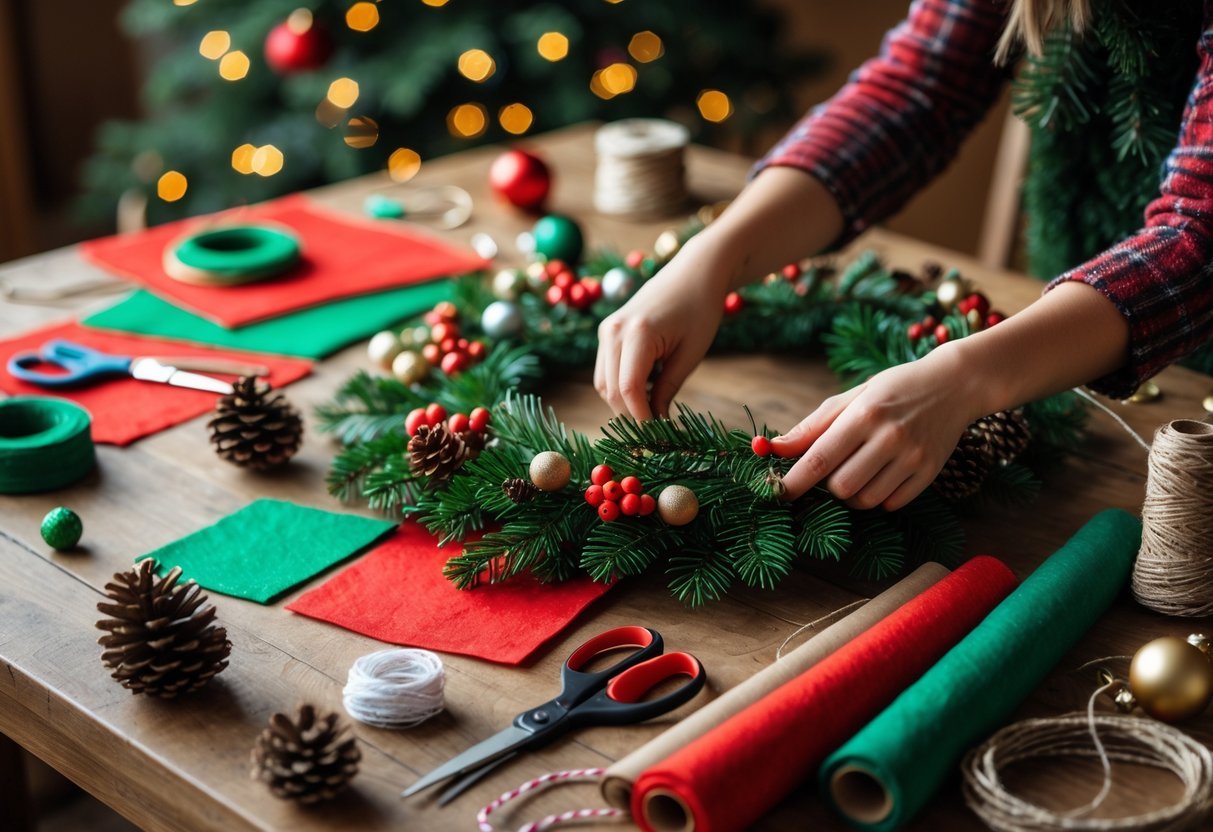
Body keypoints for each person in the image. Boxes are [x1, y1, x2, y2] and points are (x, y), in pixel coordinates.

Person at [593, 0, 1213, 511]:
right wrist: (716, 254)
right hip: (1073, 339)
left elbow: (1201, 237)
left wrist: (966, 378)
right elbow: (914, 93)